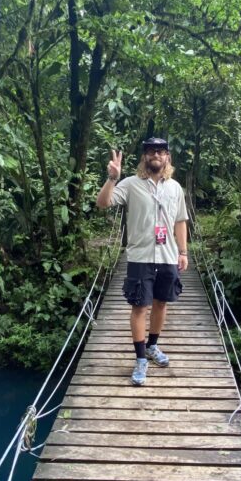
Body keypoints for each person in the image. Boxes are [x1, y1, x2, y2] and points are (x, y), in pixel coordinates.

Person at [96, 136, 189, 385]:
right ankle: (140, 359)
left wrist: (183, 252)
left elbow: (180, 221)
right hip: (140, 256)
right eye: (150, 151)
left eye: (160, 151)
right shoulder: (130, 184)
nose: (155, 155)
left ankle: (153, 346)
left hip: (168, 256)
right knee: (139, 307)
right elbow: (103, 203)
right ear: (144, 157)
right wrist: (112, 178)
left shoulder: (175, 188)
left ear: (167, 156)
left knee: (161, 303)